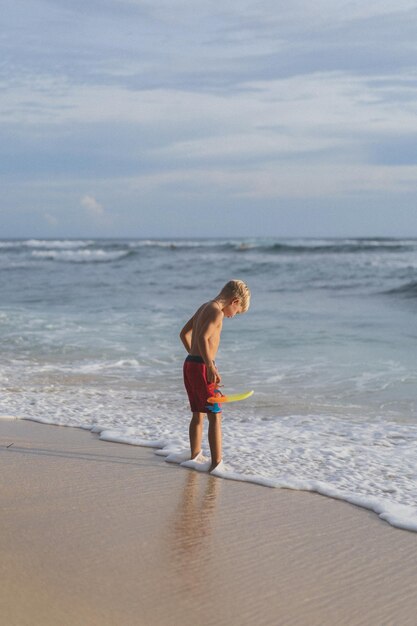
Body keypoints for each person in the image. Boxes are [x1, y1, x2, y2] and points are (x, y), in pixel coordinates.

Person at [180, 279, 251, 472]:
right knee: (215, 415)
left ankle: (195, 456)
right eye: (237, 311)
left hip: (190, 364)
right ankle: (216, 464)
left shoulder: (204, 306)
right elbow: (203, 337)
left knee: (198, 414)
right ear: (234, 301)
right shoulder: (217, 312)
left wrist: (195, 356)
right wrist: (209, 365)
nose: (232, 316)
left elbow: (184, 334)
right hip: (202, 366)